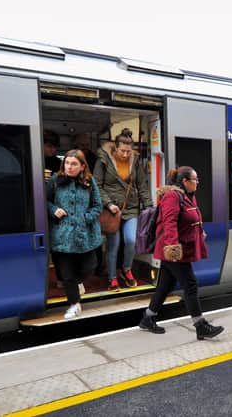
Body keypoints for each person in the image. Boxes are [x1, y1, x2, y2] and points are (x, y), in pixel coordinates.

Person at [138, 166, 224, 340]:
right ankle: (200, 326)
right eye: (195, 180)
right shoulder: (173, 196)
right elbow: (169, 222)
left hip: (178, 248)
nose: (198, 183)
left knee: (165, 285)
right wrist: (173, 248)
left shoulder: (187, 196)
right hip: (173, 249)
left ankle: (148, 318)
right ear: (185, 181)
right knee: (190, 284)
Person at [94, 128, 153, 290]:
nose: (126, 154)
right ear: (115, 148)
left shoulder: (135, 161)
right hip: (112, 210)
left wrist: (149, 206)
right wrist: (108, 203)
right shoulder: (103, 160)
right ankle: (112, 277)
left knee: (131, 241)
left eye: (129, 151)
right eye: (122, 151)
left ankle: (126, 269)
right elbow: (96, 185)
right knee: (114, 244)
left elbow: (142, 185)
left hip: (130, 208)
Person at [46, 149, 102, 319]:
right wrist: (53, 209)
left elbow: (97, 205)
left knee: (90, 267)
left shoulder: (89, 181)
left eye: (74, 164)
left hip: (85, 234)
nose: (69, 167)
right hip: (62, 235)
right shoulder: (55, 180)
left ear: (82, 166)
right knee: (66, 274)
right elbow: (45, 200)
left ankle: (78, 283)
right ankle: (74, 304)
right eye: (67, 163)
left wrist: (86, 217)